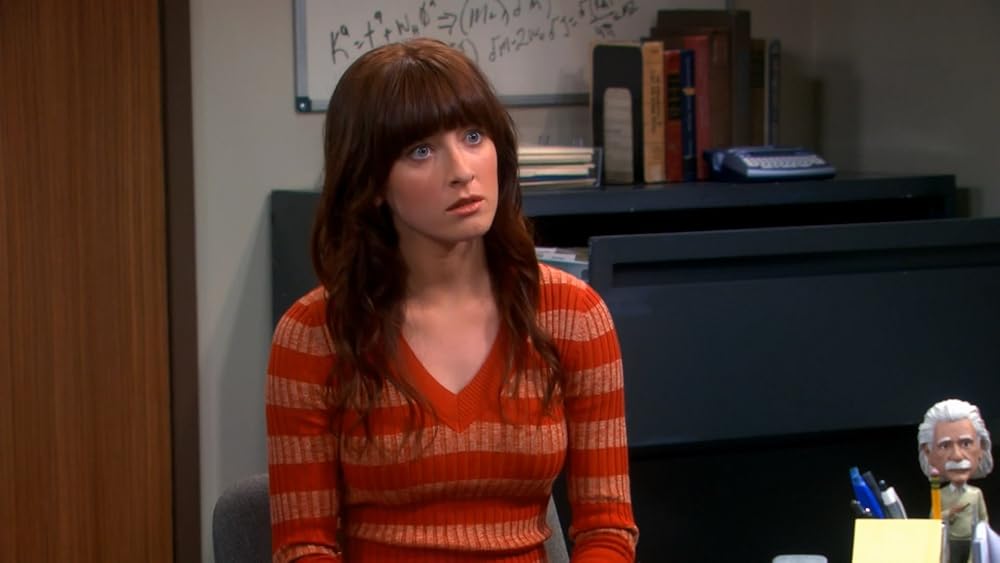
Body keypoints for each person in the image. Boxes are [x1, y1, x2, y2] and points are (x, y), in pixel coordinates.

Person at [265, 38, 639, 562]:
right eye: (421, 150)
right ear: (373, 182)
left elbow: (608, 531)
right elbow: (303, 548)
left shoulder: (573, 315)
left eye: (472, 136)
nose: (462, 170)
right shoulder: (314, 334)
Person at [918, 398, 994, 563]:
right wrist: (949, 513)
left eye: (966, 443)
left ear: (981, 448)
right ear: (928, 452)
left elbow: (984, 521)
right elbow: (933, 521)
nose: (957, 456)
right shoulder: (941, 494)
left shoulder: (976, 493)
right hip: (949, 543)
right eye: (945, 446)